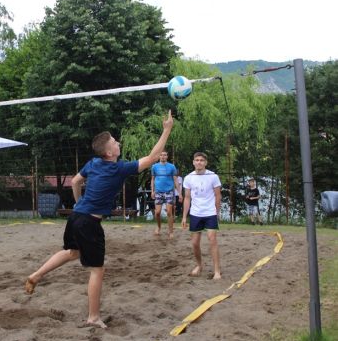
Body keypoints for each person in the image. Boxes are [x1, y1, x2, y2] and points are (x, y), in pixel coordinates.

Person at [26, 110, 174, 329]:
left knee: (72, 253)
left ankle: (36, 275)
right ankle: (93, 317)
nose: (118, 143)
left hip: (76, 217)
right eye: (115, 142)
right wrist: (167, 130)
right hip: (89, 223)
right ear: (109, 152)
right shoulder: (118, 168)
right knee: (98, 270)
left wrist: (77, 204)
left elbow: (76, 182)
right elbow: (153, 158)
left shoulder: (94, 163)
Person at [181, 152, 222, 280]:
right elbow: (187, 198)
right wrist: (184, 217)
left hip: (210, 212)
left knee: (212, 240)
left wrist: (217, 212)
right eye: (197, 160)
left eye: (202, 160)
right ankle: (199, 265)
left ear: (205, 162)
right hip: (195, 213)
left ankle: (217, 271)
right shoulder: (189, 178)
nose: (199, 162)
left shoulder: (213, 176)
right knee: (195, 242)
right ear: (193, 162)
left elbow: (218, 195)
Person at [151, 151, 181, 238]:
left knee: (169, 212)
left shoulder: (171, 166)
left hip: (169, 191)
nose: (163, 156)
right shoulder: (155, 166)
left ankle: (171, 232)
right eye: (161, 155)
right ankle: (159, 227)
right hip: (158, 191)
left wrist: (179, 193)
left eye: (164, 155)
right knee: (157, 212)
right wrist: (152, 191)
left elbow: (176, 180)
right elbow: (153, 179)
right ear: (159, 156)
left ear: (167, 156)